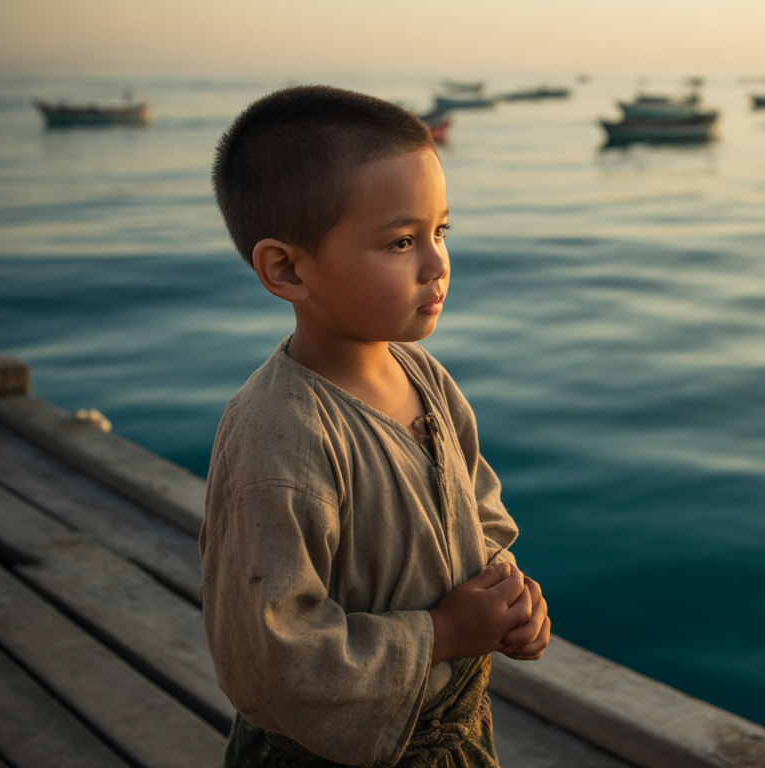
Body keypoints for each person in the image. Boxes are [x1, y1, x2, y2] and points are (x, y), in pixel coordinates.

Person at [199, 85, 550, 768]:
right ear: (287, 268)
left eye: (441, 231)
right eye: (401, 241)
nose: (437, 262)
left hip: (453, 735)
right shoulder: (279, 435)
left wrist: (509, 596)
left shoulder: (428, 380)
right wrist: (444, 632)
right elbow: (270, 658)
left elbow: (480, 519)